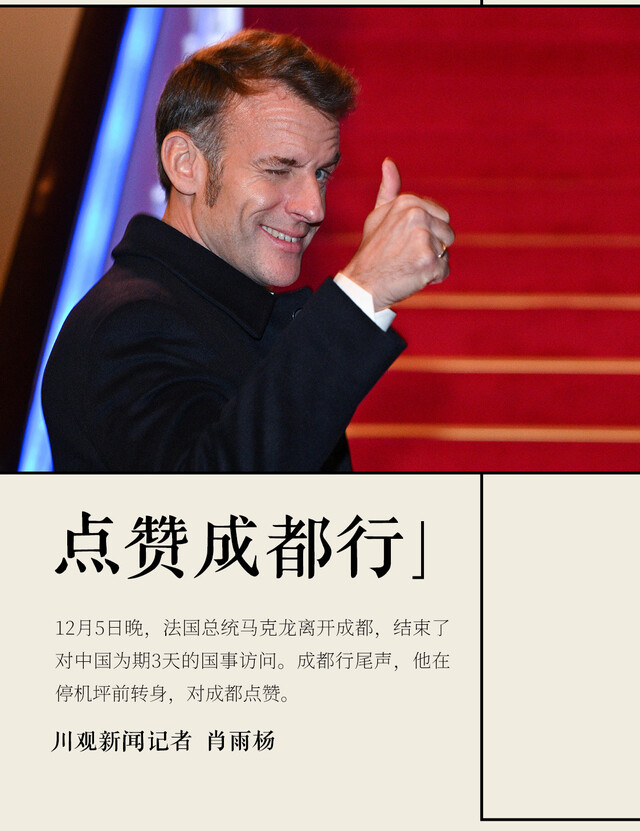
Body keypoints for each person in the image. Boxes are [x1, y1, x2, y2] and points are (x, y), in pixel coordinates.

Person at [42, 29, 454, 472]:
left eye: (321, 174)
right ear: (185, 164)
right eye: (278, 169)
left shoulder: (217, 311)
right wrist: (363, 292)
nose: (314, 208)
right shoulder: (127, 324)